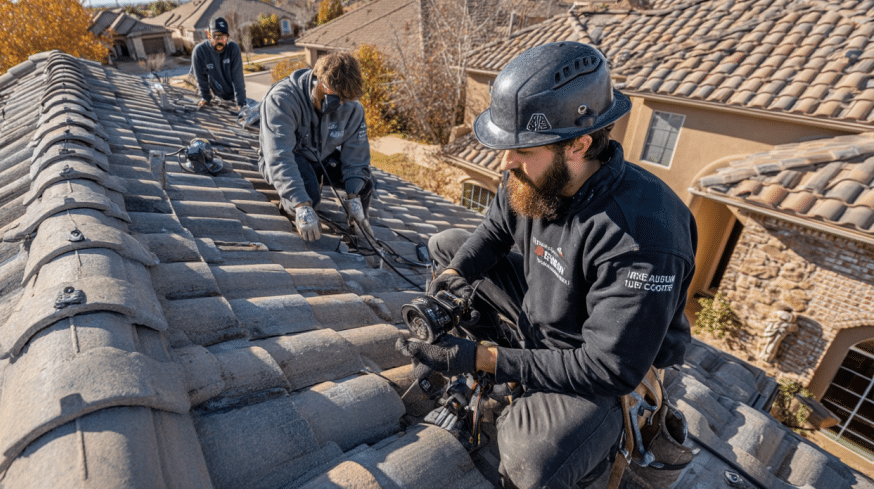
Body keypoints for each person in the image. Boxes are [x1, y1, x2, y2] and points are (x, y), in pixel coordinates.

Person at [396, 41, 697, 489]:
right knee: (447, 246)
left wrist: (480, 358)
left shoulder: (644, 238)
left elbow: (608, 368)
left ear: (579, 144)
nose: (505, 161)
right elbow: (493, 234)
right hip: (541, 317)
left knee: (530, 461)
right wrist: (454, 280)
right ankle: (506, 351)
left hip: (597, 365)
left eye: (522, 149)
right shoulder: (531, 175)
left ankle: (588, 438)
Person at [258, 51, 375, 243]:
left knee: (365, 183)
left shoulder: (351, 108)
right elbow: (279, 156)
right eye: (336, 98)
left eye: (345, 100)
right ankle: (293, 213)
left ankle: (356, 226)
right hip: (290, 158)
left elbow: (356, 156)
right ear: (317, 82)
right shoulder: (282, 99)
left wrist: (353, 197)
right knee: (310, 197)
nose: (340, 106)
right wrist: (301, 205)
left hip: (321, 157)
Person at [192, 17, 246, 108]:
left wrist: (241, 103)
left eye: (223, 37)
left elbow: (238, 79)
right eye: (216, 37)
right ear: (208, 35)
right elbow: (201, 79)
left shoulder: (233, 49)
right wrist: (205, 98)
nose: (220, 41)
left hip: (234, 97)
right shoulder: (200, 52)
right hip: (218, 97)